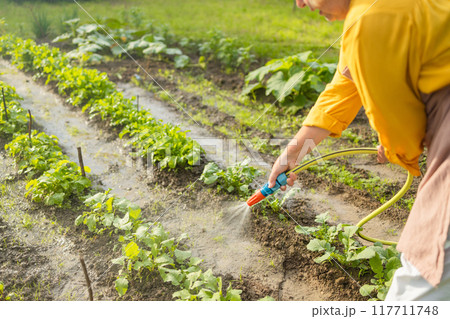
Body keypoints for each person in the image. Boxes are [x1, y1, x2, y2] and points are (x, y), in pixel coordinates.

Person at [268, 0, 450, 300]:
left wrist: (394, 147)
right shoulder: (369, 12)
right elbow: (343, 88)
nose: (300, 2)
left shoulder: (369, 19)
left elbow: (398, 124)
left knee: (423, 276)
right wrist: (292, 153)